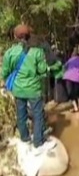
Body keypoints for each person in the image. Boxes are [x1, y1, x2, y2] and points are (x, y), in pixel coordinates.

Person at [1, 25, 56, 156]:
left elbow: (5, 72)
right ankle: (38, 143)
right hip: (33, 89)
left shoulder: (10, 53)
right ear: (28, 36)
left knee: (21, 115)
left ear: (15, 37)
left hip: (18, 90)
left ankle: (25, 139)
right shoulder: (37, 51)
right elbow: (42, 70)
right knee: (38, 115)